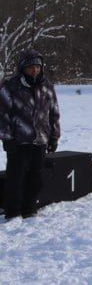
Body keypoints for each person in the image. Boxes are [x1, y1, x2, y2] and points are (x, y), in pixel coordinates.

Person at [0, 49, 61, 219]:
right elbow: (2, 115)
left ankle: (29, 208)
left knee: (36, 178)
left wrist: (54, 136)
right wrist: (7, 138)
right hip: (18, 141)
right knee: (15, 178)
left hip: (40, 140)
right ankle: (13, 211)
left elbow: (54, 112)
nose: (34, 70)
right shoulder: (10, 86)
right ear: (22, 68)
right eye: (30, 67)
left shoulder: (47, 86)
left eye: (37, 67)